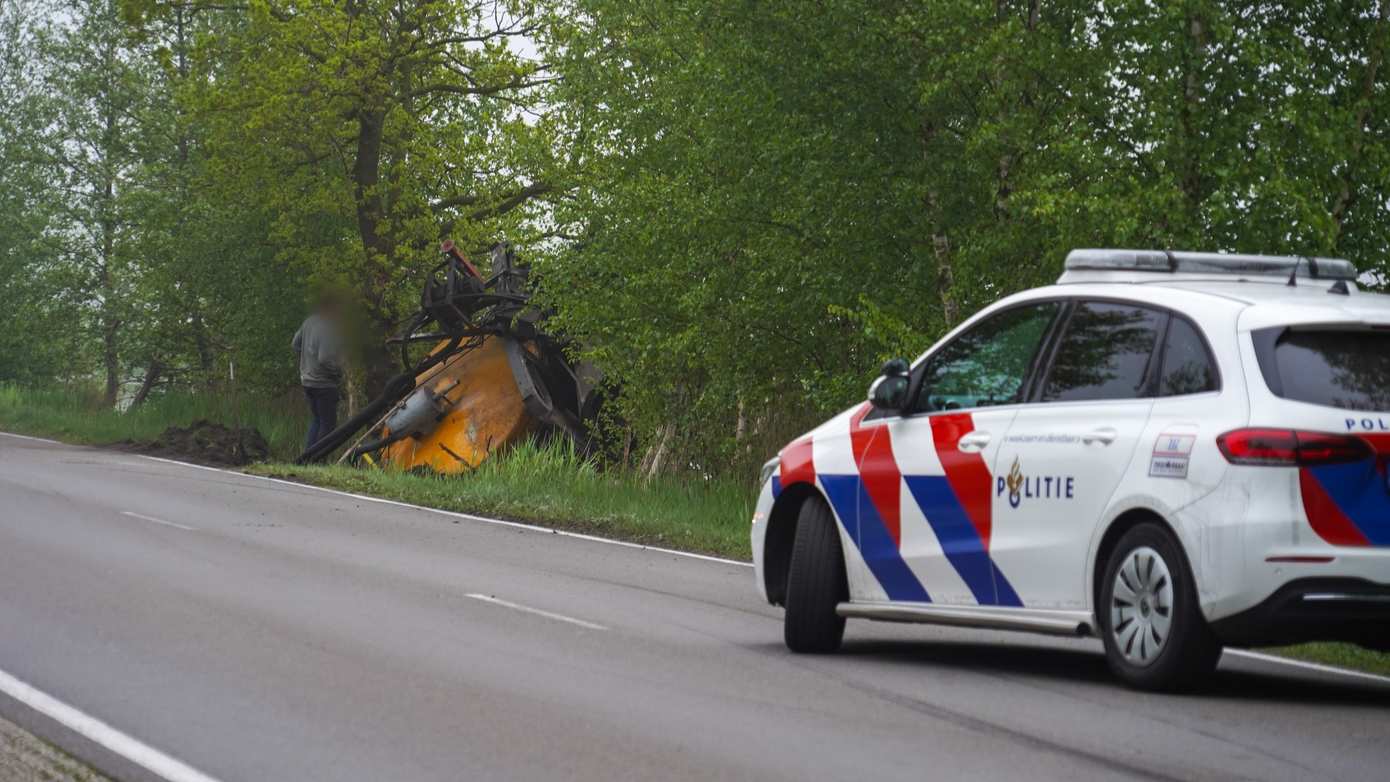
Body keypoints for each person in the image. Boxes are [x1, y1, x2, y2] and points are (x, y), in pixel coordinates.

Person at [292, 293, 346, 450]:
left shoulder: (309, 322)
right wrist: (338, 371)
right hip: (324, 383)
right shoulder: (329, 327)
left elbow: (295, 344)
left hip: (307, 381)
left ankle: (309, 457)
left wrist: (306, 361)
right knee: (328, 425)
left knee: (317, 420)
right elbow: (325, 358)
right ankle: (318, 458)